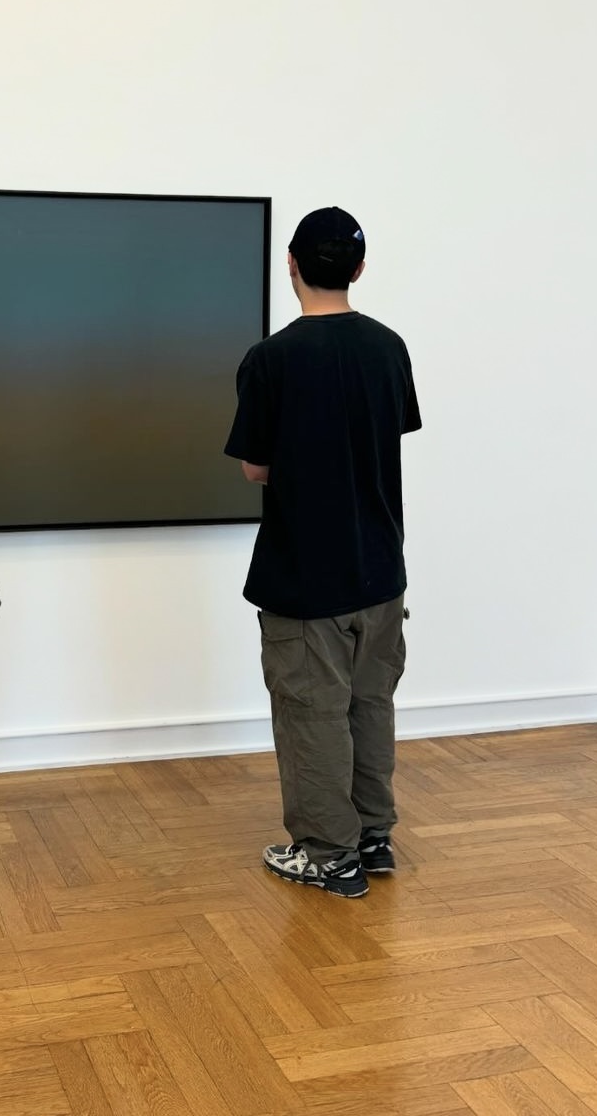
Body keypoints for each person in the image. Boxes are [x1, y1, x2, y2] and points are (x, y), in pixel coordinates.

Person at [224, 207, 421, 898]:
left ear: (292, 265)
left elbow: (255, 467)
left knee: (312, 714)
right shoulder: (389, 347)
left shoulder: (271, 359)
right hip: (381, 570)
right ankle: (372, 836)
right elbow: (385, 436)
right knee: (371, 705)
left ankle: (329, 855)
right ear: (359, 269)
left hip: (306, 576)